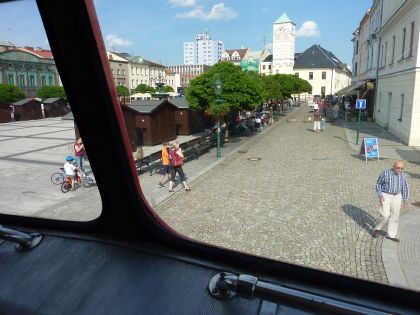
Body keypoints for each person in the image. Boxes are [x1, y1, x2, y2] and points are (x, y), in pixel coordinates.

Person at [373, 160, 409, 242]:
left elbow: (405, 188)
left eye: (402, 168)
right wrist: (380, 195)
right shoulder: (385, 173)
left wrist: (405, 200)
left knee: (395, 216)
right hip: (386, 195)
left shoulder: (403, 175)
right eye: (398, 168)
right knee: (385, 215)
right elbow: (378, 184)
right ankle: (377, 229)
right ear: (393, 167)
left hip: (397, 196)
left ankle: (391, 235)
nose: (400, 169)